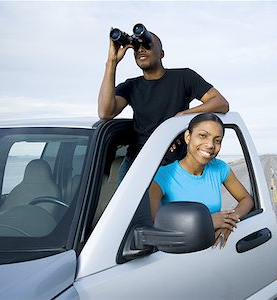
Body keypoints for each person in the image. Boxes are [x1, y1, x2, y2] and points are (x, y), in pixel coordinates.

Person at [98, 26, 229, 180]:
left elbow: (221, 103)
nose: (141, 50)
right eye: (136, 47)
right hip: (138, 164)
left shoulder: (184, 77)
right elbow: (105, 112)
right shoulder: (131, 86)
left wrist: (181, 117)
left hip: (174, 166)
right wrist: (111, 62)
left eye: (147, 45)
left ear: (161, 53)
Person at [149, 113, 254, 248]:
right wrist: (208, 222)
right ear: (188, 137)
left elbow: (246, 199)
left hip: (213, 250)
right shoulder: (161, 176)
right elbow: (155, 225)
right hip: (178, 253)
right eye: (203, 136)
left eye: (217, 140)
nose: (210, 145)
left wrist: (230, 220)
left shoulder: (219, 168)